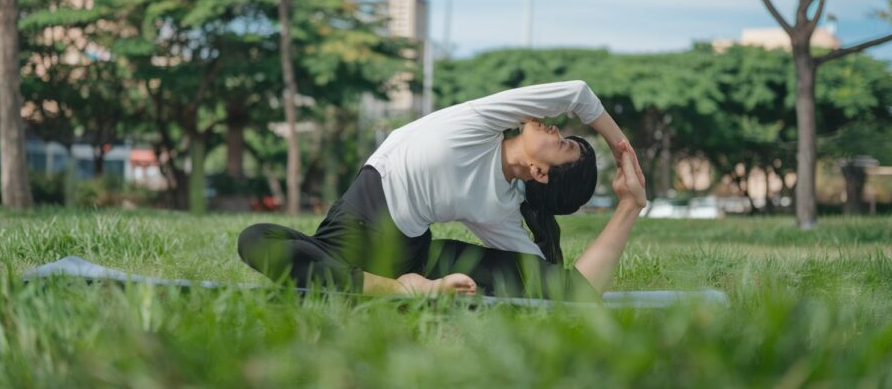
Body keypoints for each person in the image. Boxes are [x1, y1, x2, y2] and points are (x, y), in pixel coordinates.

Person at [237, 80, 647, 300]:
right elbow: (577, 93)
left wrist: (630, 203)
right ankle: (392, 290)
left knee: (551, 288)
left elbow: (568, 289)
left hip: (412, 256)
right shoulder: (483, 123)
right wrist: (620, 146)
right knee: (255, 239)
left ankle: (384, 287)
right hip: (344, 242)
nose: (556, 129)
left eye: (562, 145)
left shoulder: (501, 210)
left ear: (539, 173)